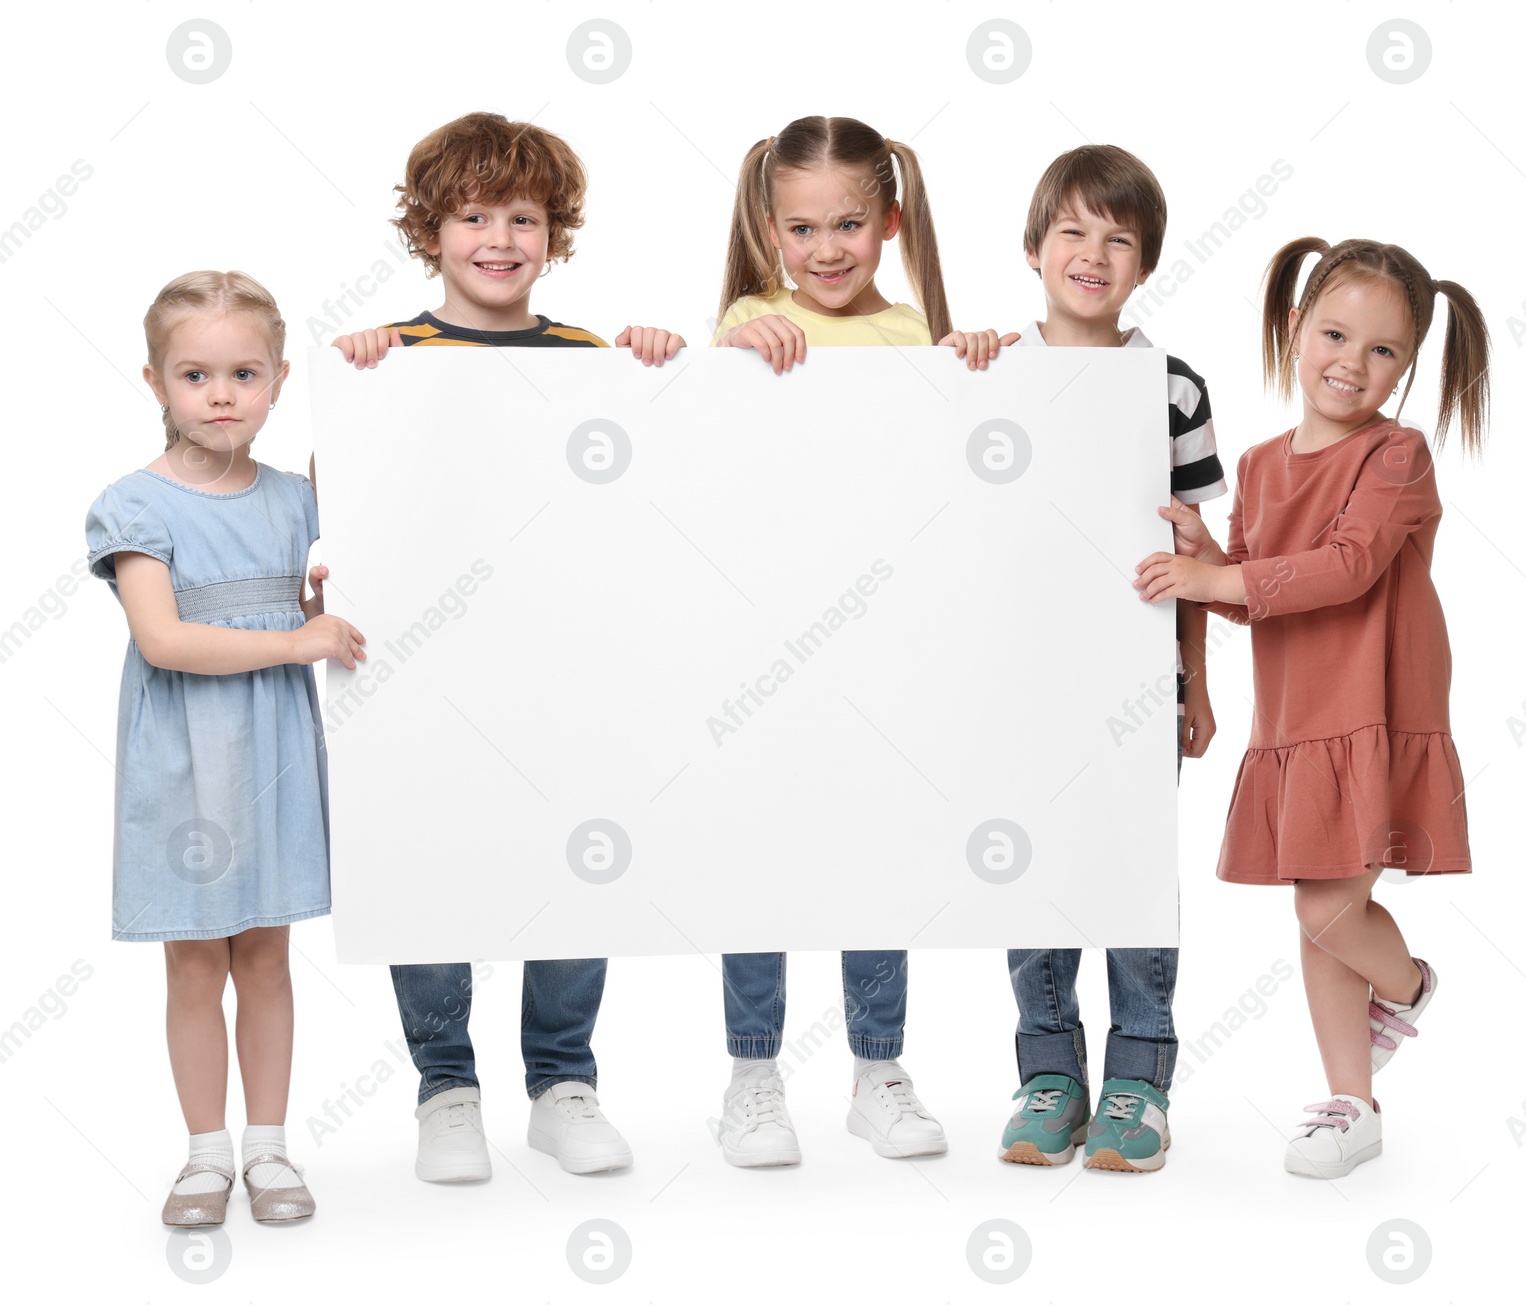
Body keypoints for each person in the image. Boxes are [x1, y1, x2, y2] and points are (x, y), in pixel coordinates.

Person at [330, 110, 684, 1181]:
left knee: (575, 855)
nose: (497, 237)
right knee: (426, 858)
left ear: (555, 232)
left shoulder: (589, 359)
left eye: (522, 216)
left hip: (567, 663)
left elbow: (656, 501)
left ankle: (562, 1080)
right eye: (471, 214)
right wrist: (349, 397)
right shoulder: (385, 360)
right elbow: (342, 509)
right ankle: (446, 1086)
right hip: (426, 676)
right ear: (429, 230)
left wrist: (658, 372)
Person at [1134, 235, 1490, 1177]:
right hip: (1296, 714)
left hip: (1374, 700)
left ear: (1407, 366)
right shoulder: (1256, 463)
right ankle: (1351, 1101)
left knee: (1335, 912)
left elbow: (1346, 567)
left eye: (1383, 353)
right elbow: (1250, 590)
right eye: (1336, 334)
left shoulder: (1397, 454)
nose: (1353, 364)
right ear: (1297, 330)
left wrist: (1224, 570)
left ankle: (1409, 987)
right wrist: (1206, 554)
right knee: (1315, 908)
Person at [711, 114, 1010, 1167]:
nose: (826, 250)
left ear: (889, 220)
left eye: (848, 224)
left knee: (877, 853)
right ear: (769, 228)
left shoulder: (917, 332)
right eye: (802, 228)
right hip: (762, 643)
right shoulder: (751, 321)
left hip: (885, 648)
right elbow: (700, 446)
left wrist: (971, 362)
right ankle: (753, 1073)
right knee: (756, 857)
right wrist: (734, 349)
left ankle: (876, 1066)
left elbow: (951, 475)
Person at [86, 270, 365, 1226]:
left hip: (276, 751)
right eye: (195, 373)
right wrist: (297, 638)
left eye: (243, 372)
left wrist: (323, 617)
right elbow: (163, 639)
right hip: (185, 759)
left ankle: (271, 1149)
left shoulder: (294, 498)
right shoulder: (135, 504)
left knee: (269, 958)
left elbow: (363, 536)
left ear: (281, 379)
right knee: (197, 963)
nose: (220, 394)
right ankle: (205, 1155)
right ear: (157, 380)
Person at [994, 145, 1227, 1173]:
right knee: (1030, 872)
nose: (1093, 255)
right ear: (1034, 246)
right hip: (1017, 682)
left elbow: (1190, 554)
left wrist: (1197, 682)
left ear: (1145, 264)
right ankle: (1049, 1074)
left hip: (1133, 681)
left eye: (1118, 239)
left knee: (1132, 868)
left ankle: (1139, 1078)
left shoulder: (1170, 389)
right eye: (1073, 232)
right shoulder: (988, 373)